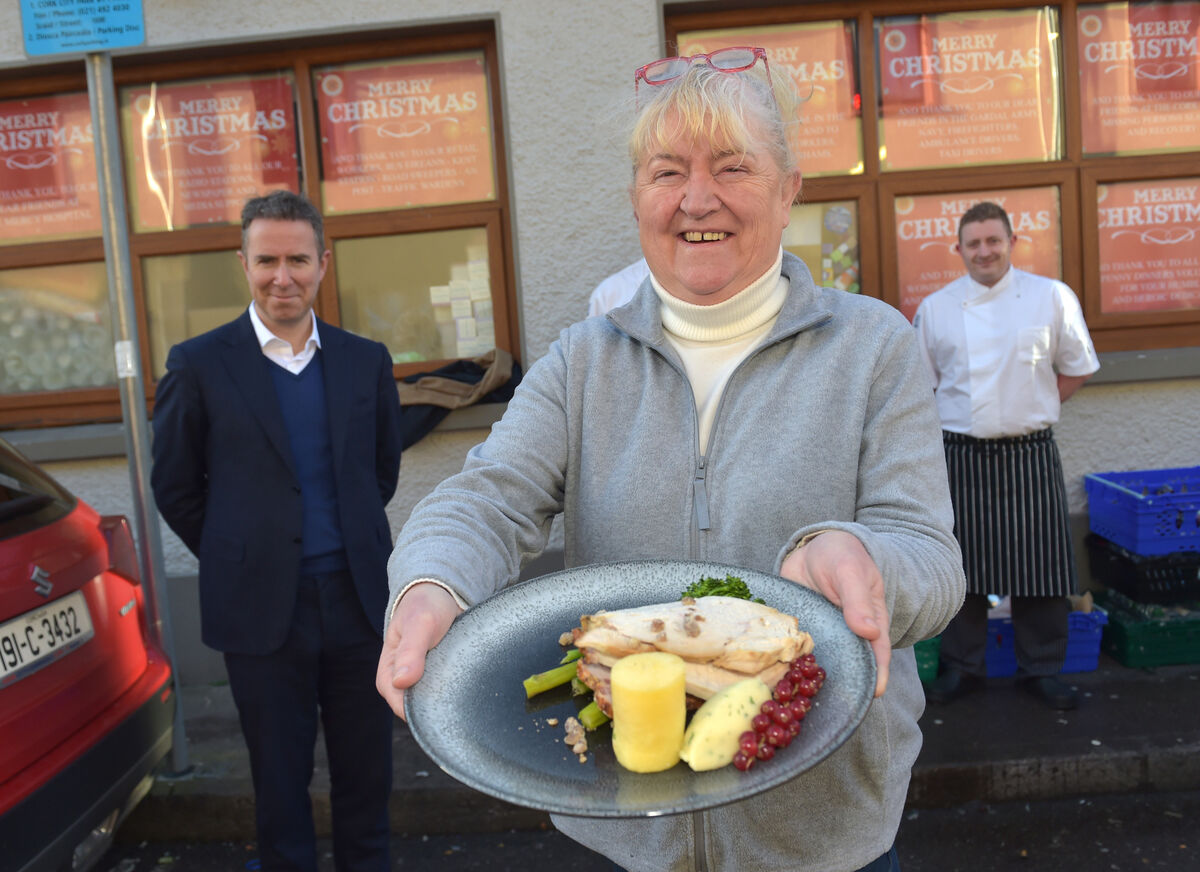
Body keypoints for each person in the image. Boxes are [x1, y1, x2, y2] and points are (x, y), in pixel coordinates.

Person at [377, 47, 964, 872]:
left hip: (825, 834)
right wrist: (432, 583)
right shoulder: (582, 362)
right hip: (623, 831)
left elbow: (931, 559)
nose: (698, 199)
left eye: (734, 167)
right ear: (635, 198)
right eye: (667, 173)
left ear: (790, 187)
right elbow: (487, 500)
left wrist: (865, 559)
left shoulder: (873, 348)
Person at [151, 190, 403, 872]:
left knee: (367, 780)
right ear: (244, 263)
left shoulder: (364, 360)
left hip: (357, 604)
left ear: (324, 263)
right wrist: (242, 551)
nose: (281, 276)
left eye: (297, 259)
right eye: (267, 260)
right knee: (280, 788)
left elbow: (379, 473)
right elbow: (174, 485)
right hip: (263, 613)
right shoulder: (199, 364)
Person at [914, 201, 1100, 711]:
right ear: (959, 250)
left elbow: (1078, 368)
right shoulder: (936, 309)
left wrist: (1036, 407)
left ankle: (1041, 670)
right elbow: (924, 387)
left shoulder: (1052, 298)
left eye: (993, 241)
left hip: (1031, 450)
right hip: (960, 453)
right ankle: (962, 668)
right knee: (962, 569)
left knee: (1042, 568)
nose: (984, 252)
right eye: (973, 243)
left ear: (1012, 243)